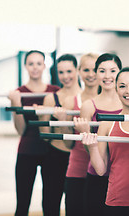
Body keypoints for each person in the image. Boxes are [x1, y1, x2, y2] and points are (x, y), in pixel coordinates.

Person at [75, 67, 129, 216]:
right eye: (122, 86)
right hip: (117, 200)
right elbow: (101, 170)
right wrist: (93, 147)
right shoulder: (107, 124)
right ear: (116, 90)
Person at [8, 50, 60, 216]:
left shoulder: (55, 91)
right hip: (27, 151)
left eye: (39, 63)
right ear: (26, 66)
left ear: (44, 65)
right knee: (22, 205)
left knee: (51, 206)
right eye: (31, 63)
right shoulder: (19, 92)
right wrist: (17, 105)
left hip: (51, 151)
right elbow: (20, 130)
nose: (35, 67)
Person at [76, 53, 123, 216]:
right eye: (102, 71)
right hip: (97, 174)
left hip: (123, 175)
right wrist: (85, 132)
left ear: (120, 72)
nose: (108, 76)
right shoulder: (89, 106)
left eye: (113, 70)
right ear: (96, 73)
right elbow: (89, 149)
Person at [38, 54, 82, 215]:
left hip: (79, 158)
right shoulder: (51, 98)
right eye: (61, 72)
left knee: (76, 206)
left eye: (69, 71)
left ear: (77, 71)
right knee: (50, 205)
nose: (65, 76)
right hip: (55, 157)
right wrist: (42, 116)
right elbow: (46, 136)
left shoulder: (87, 98)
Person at [63, 53, 99, 215]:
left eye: (95, 70)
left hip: (102, 171)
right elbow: (68, 144)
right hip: (77, 170)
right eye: (86, 70)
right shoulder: (71, 102)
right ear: (79, 71)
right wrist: (64, 121)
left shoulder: (113, 102)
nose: (91, 74)